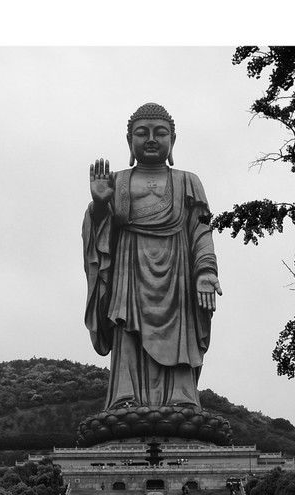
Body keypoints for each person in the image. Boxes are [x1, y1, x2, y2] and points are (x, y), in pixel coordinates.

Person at [83, 102, 223, 411]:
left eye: (160, 133)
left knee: (180, 334)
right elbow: (98, 233)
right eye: (141, 133)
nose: (150, 139)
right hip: (129, 271)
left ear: (173, 140)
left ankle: (182, 399)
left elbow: (201, 230)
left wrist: (205, 272)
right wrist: (99, 206)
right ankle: (124, 398)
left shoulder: (187, 181)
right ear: (129, 141)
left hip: (178, 273)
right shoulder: (117, 180)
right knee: (127, 331)